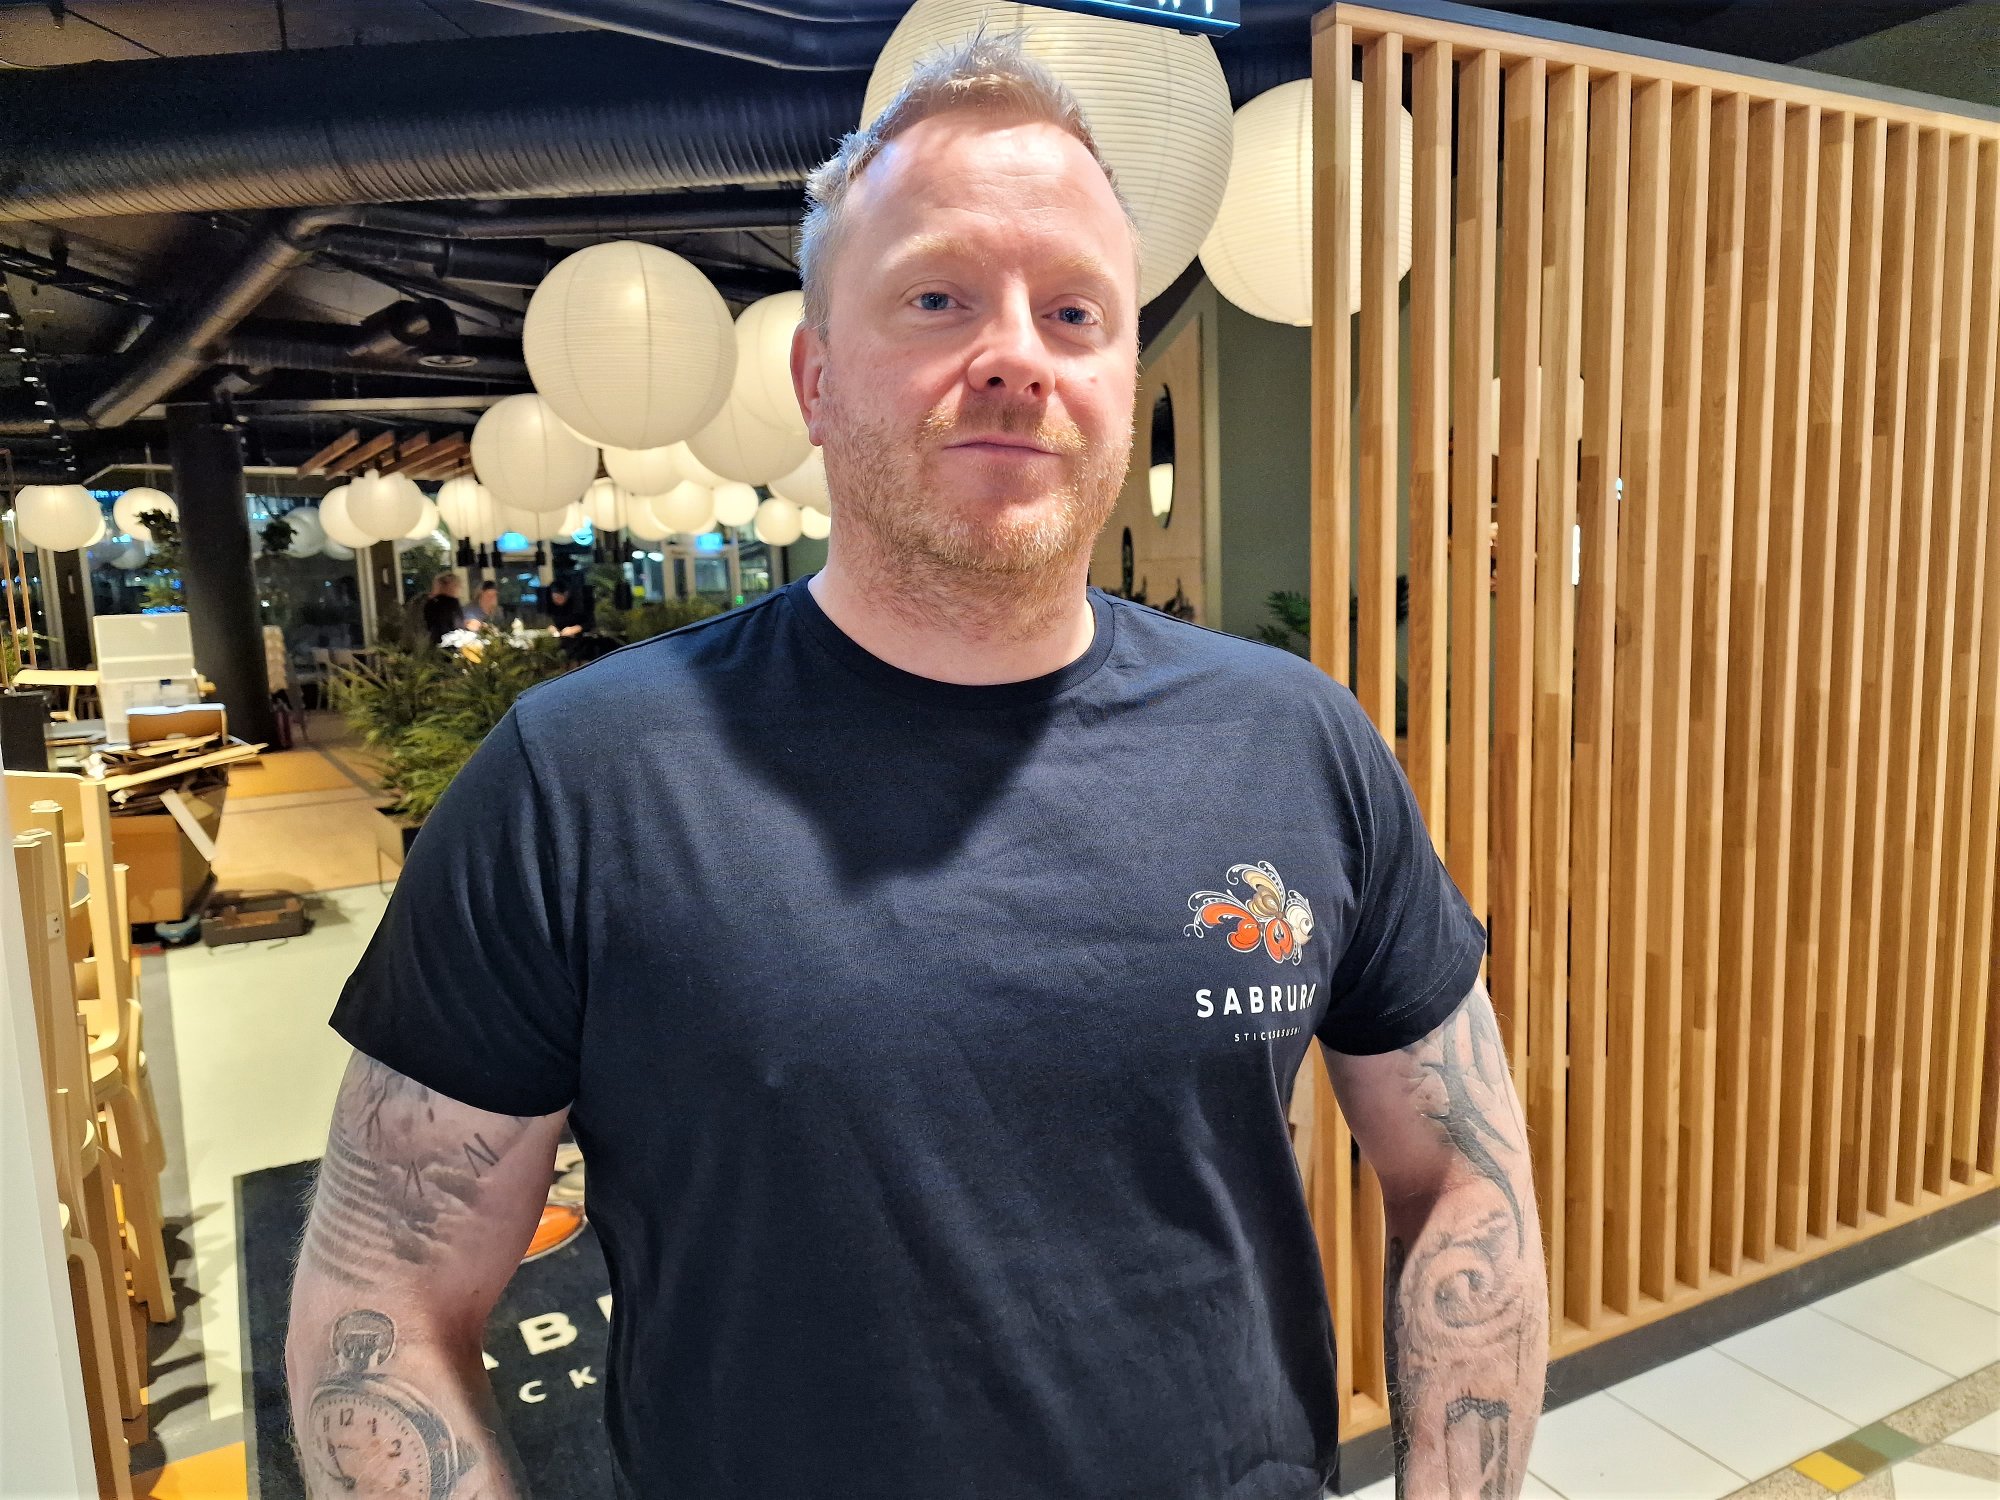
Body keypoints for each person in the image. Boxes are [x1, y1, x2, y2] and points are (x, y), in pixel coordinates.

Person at [288, 33, 1545, 1500]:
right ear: (818, 379)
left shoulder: (1294, 741)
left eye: (1073, 310)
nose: (1015, 354)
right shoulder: (579, 785)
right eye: (938, 297)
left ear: (1121, 374)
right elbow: (380, 1296)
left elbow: (1464, 1174)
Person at [418, 570, 465, 644]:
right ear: (450, 586)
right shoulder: (450, 603)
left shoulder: (430, 603)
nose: (460, 589)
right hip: (448, 643)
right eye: (457, 585)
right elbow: (455, 625)